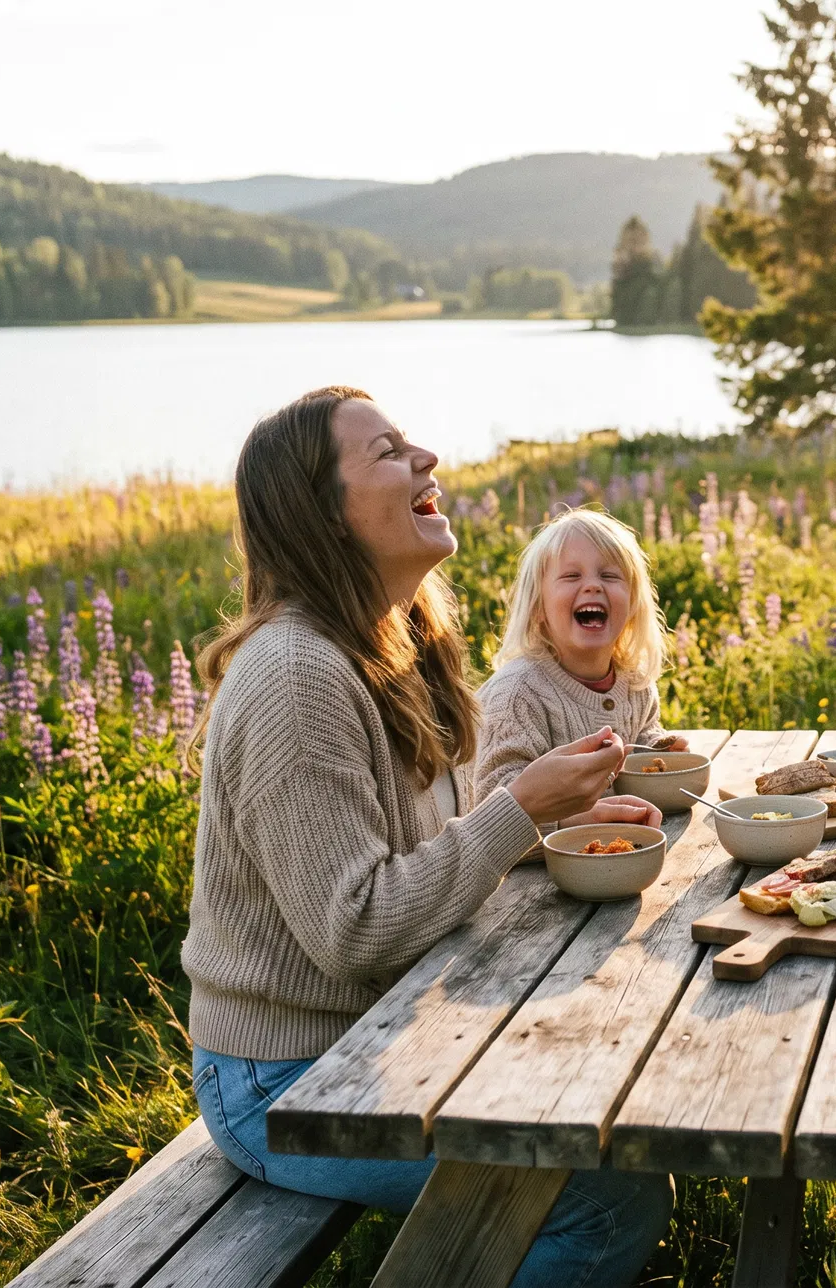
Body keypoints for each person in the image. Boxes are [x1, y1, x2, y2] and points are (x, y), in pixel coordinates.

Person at [180, 386, 672, 1287]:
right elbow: (356, 929)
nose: (427, 461)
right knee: (610, 1197)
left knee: (615, 1101)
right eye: (388, 453)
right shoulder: (296, 676)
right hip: (280, 1079)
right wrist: (520, 805)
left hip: (379, 1025)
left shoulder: (391, 642)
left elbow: (437, 852)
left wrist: (557, 813)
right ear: (324, 514)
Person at [474, 507, 685, 812]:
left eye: (610, 576)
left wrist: (660, 749)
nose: (593, 586)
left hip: (611, 849)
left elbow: (641, 735)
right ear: (538, 608)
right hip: (534, 858)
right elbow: (490, 810)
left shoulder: (635, 684)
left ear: (634, 605)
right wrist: (572, 822)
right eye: (572, 576)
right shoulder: (518, 694)